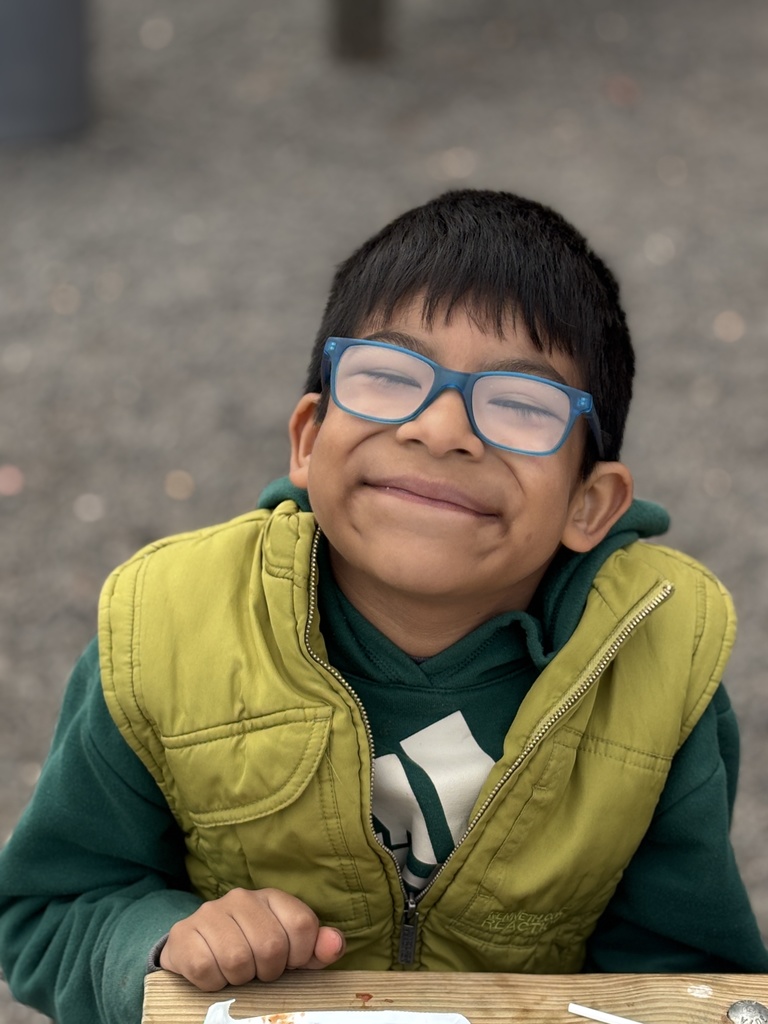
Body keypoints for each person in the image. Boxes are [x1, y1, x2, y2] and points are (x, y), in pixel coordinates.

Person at [1, 189, 766, 1024]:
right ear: (306, 437)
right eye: (390, 377)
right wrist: (165, 943)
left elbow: (683, 981)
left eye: (519, 403)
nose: (441, 429)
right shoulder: (166, 634)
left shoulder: (654, 674)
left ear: (591, 503)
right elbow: (45, 914)